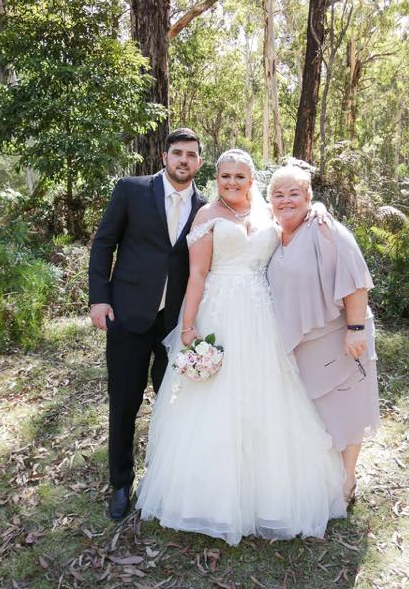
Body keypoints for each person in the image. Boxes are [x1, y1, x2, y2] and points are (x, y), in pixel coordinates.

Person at [135, 149, 346, 545]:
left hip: (262, 313)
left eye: (239, 177)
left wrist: (315, 210)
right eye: (225, 176)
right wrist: (188, 325)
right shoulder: (206, 217)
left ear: (252, 181)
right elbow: (197, 274)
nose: (231, 183)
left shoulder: (267, 211)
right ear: (216, 178)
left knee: (267, 394)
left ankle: (268, 492)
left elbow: (292, 233)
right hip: (220, 309)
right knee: (216, 397)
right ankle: (211, 496)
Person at [88, 128, 206, 520]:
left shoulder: (206, 208)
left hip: (176, 324)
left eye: (191, 155)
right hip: (127, 313)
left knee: (173, 405)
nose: (183, 160)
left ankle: (165, 478)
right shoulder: (131, 190)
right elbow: (104, 243)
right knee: (124, 402)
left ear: (199, 163)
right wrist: (99, 298)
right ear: (164, 157)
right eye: (177, 153)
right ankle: (121, 483)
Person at [266, 162, 380, 503]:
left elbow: (355, 280)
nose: (286, 200)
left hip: (339, 336)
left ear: (309, 196)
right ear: (269, 200)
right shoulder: (275, 233)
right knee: (318, 415)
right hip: (301, 345)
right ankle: (321, 479)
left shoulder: (326, 229)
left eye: (294, 194)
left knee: (347, 410)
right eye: (278, 194)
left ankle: (346, 483)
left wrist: (356, 329)